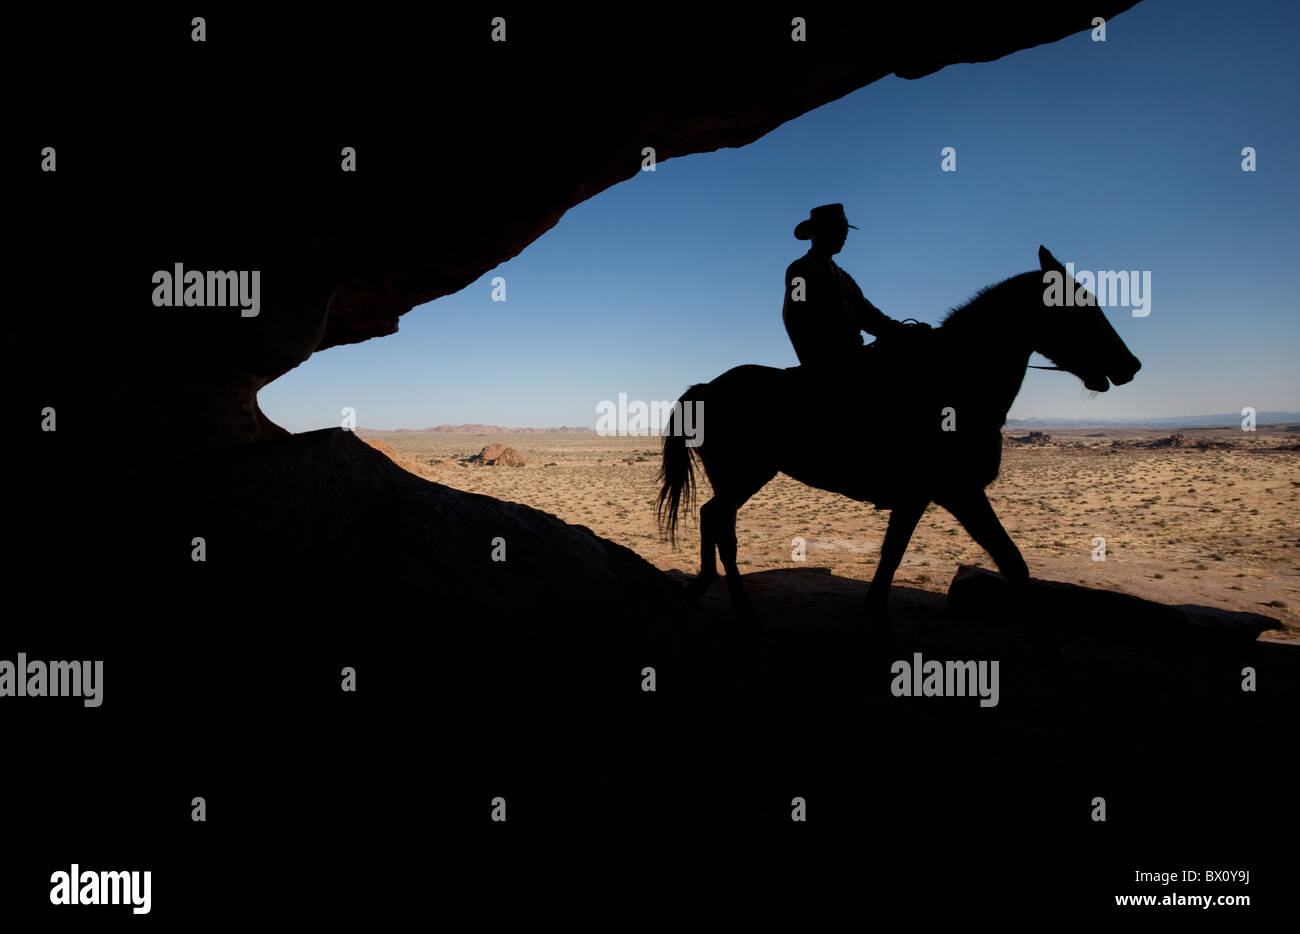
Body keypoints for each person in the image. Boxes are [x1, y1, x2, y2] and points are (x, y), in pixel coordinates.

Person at [782, 204, 928, 373]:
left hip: (854, 353)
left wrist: (900, 331)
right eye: (837, 230)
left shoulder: (845, 278)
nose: (844, 237)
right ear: (817, 233)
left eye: (844, 232)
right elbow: (795, 314)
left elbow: (867, 313)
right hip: (828, 361)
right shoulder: (800, 270)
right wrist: (813, 361)